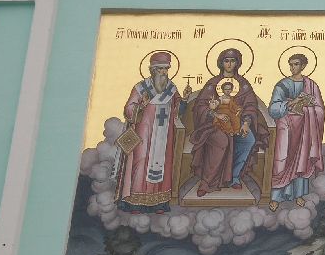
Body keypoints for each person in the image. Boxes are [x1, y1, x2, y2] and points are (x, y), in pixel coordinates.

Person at [190, 48, 269, 196]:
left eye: (233, 61)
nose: (229, 64)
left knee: (249, 140)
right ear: (221, 63)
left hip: (237, 124)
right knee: (222, 141)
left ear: (237, 63)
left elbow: (250, 106)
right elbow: (200, 106)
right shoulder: (212, 84)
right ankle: (207, 182)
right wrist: (214, 113)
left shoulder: (243, 85)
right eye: (226, 61)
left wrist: (246, 123)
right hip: (214, 124)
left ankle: (234, 176)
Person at [115, 51, 185, 214]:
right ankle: (135, 203)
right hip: (144, 133)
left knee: (164, 164)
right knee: (140, 163)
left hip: (164, 135)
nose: (163, 72)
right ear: (153, 70)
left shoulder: (171, 88)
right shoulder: (141, 88)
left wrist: (184, 101)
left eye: (166, 69)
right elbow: (129, 109)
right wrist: (141, 105)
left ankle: (159, 203)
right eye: (160, 69)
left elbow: (178, 108)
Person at [268, 53, 325, 211]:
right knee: (282, 160)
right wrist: (291, 103)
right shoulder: (282, 84)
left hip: (306, 128)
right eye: (291, 64)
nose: (293, 67)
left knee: (302, 160)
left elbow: (320, 110)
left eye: (296, 64)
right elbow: (273, 108)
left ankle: (299, 194)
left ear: (303, 66)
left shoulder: (311, 85)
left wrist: (307, 108)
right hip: (286, 127)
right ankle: (276, 197)